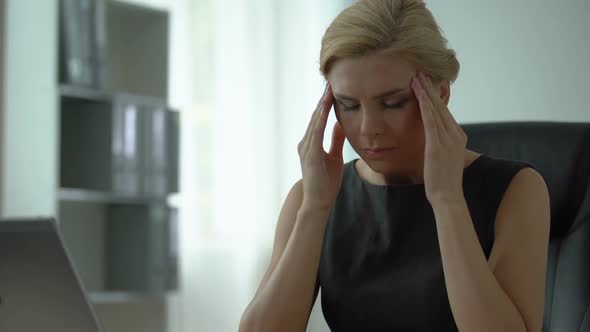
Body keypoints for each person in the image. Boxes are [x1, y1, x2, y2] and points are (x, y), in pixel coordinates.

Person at [238, 0, 551, 331]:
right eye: (348, 105)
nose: (368, 127)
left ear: (440, 95)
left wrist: (447, 202)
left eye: (392, 103)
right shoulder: (312, 197)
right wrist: (314, 209)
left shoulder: (518, 190)